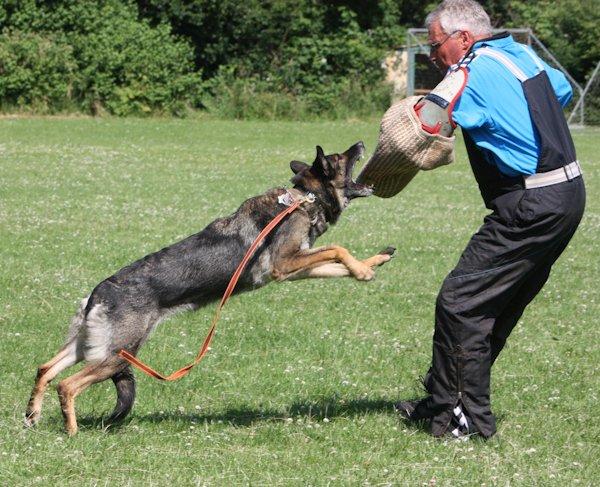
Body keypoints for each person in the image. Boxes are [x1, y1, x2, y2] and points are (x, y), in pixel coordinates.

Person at [395, 0, 586, 439]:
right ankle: (444, 398)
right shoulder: (521, 53)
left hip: (530, 204)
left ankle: (462, 420)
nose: (432, 56)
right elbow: (561, 91)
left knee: (461, 302)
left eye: (435, 45)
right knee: (493, 304)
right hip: (567, 194)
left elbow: (417, 128)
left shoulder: (466, 71)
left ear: (463, 38)